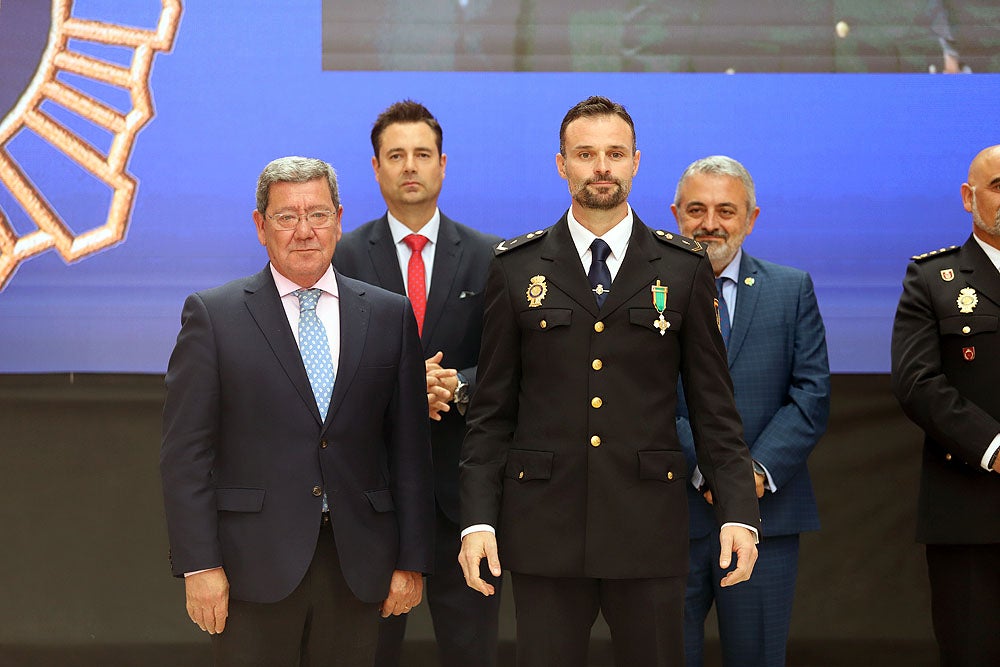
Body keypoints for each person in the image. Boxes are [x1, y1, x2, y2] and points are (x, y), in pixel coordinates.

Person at [457, 95, 761, 667]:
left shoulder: (682, 266)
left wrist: (740, 512)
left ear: (636, 162)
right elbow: (491, 411)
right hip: (545, 527)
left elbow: (713, 408)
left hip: (646, 527)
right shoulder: (517, 267)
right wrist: (478, 520)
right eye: (586, 154)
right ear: (561, 164)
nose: (602, 167)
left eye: (615, 154)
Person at [160, 156, 435, 666]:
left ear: (339, 218)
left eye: (319, 214)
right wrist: (200, 566)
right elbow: (186, 455)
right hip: (251, 569)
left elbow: (410, 450)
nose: (305, 231)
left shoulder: (387, 314)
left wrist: (411, 559)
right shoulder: (214, 316)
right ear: (260, 225)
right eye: (287, 216)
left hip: (359, 566)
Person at [333, 100, 503, 667]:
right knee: (368, 651)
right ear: (376, 167)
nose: (410, 166)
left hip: (465, 494)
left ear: (443, 165)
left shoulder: (491, 256)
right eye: (396, 155)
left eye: (422, 155)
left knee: (471, 650)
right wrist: (405, 386)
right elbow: (324, 365)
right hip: (375, 495)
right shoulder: (342, 257)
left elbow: (513, 363)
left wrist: (456, 386)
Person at [671, 156, 831, 667]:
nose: (710, 224)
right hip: (668, 515)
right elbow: (638, 398)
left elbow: (811, 395)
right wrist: (712, 470)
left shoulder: (791, 289)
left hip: (767, 516)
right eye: (696, 209)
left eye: (726, 210)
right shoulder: (645, 293)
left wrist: (751, 475)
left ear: (752, 218)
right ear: (676, 213)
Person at [891, 144, 1000, 666]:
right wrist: (995, 446)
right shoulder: (933, 279)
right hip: (970, 511)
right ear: (968, 197)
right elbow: (917, 382)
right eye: (998, 186)